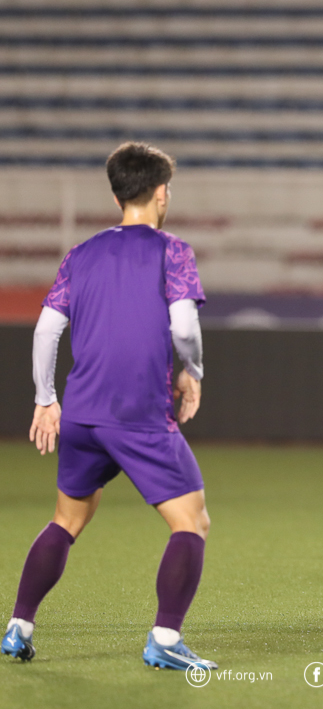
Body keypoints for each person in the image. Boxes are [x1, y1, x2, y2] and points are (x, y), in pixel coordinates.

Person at [1, 143, 216, 670]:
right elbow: (184, 325)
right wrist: (193, 372)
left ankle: (18, 626)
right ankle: (165, 640)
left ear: (117, 191)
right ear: (161, 192)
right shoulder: (172, 250)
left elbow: (47, 329)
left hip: (81, 413)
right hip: (138, 415)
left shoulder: (81, 253)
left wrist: (45, 400)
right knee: (192, 523)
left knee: (67, 519)